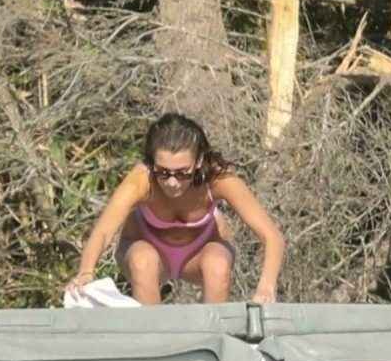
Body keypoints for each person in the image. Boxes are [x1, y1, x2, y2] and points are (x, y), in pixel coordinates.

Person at [65, 113, 286, 304]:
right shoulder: (141, 181)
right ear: (152, 163)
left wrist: (266, 287)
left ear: (198, 161)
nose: (172, 182)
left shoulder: (218, 179)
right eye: (163, 172)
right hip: (148, 253)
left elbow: (272, 237)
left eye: (182, 173)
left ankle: (216, 340)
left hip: (199, 255)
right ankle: (153, 345)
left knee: (217, 263)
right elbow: (103, 231)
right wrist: (86, 272)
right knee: (143, 260)